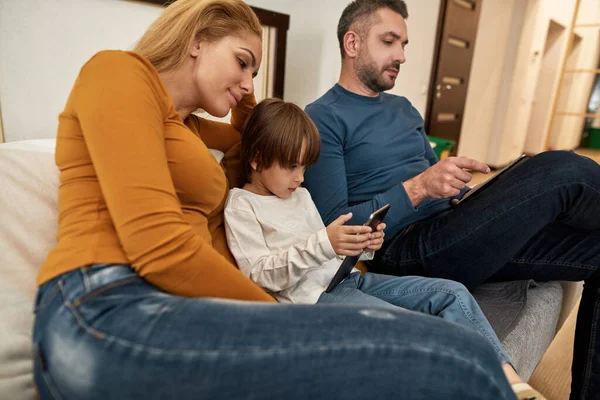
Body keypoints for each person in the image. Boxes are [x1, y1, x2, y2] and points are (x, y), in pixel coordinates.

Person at [32, 0, 518, 399]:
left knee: (455, 351)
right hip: (100, 302)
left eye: (254, 71)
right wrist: (280, 314)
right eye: (242, 62)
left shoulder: (183, 126)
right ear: (196, 39)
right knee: (452, 360)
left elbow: (256, 136)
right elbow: (158, 247)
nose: (248, 83)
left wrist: (241, 81)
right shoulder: (117, 73)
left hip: (174, 305)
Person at [303, 0, 600, 399]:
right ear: (352, 43)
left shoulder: (404, 108)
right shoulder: (322, 118)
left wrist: (461, 192)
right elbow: (334, 225)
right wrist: (420, 187)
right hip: (404, 247)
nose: (402, 56)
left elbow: (435, 176)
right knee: (561, 169)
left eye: (404, 43)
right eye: (389, 41)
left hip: (454, 227)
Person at [224, 98, 545, 400]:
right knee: (406, 327)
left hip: (346, 279)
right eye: (292, 167)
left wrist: (362, 247)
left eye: (304, 167)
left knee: (453, 293)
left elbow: (327, 252)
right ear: (256, 159)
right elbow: (260, 275)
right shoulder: (242, 206)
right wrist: (325, 242)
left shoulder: (299, 195)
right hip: (312, 302)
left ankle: (511, 382)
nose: (300, 177)